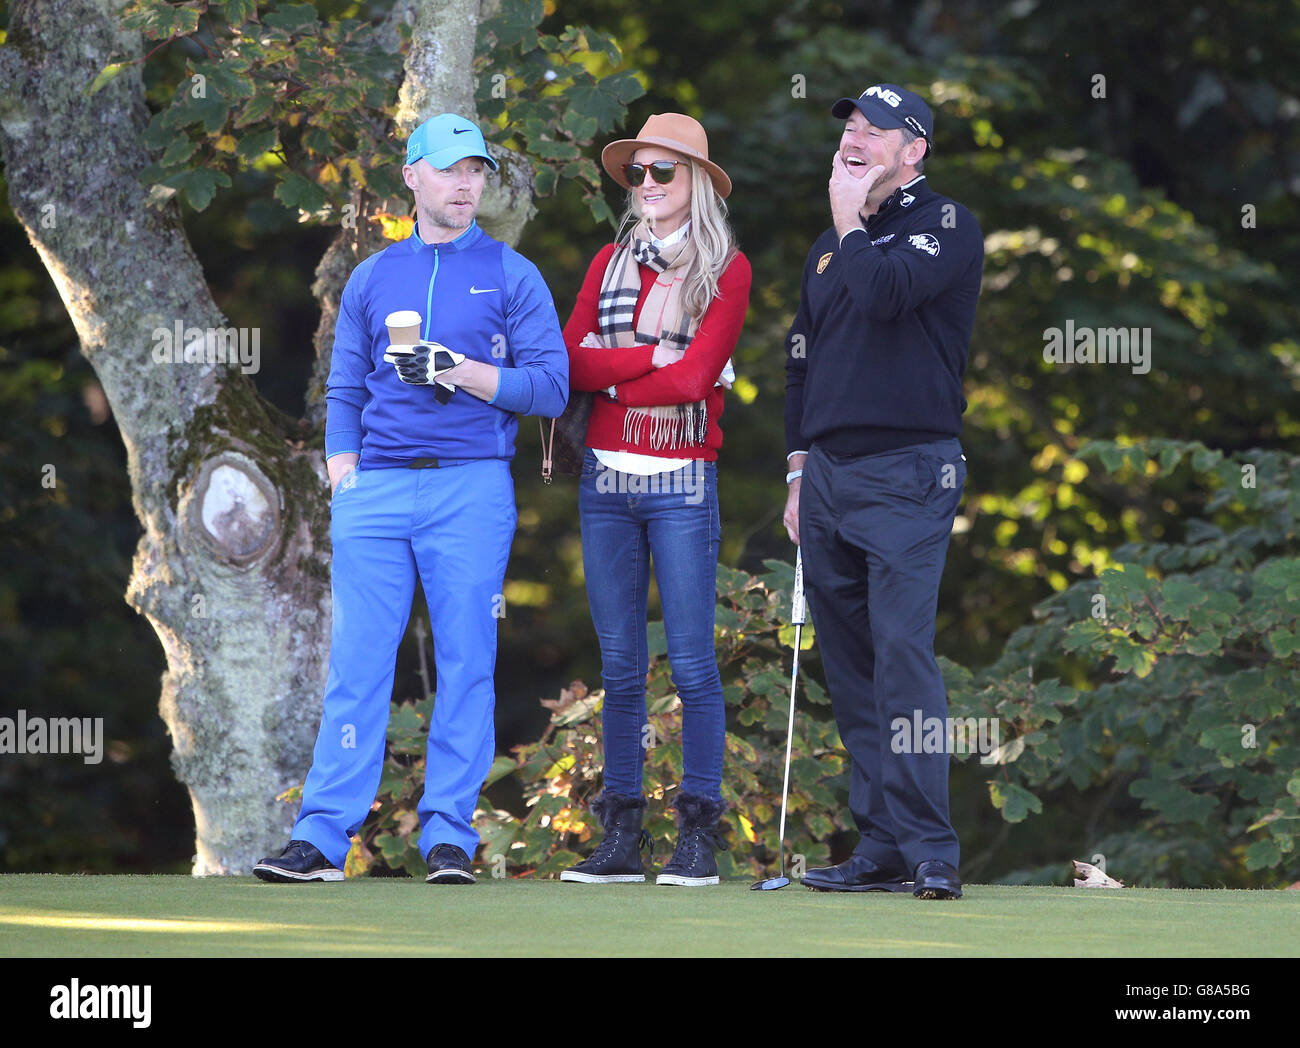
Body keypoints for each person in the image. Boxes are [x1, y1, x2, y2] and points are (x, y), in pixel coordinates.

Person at [254, 113, 568, 885]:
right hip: (377, 490)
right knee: (357, 665)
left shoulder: (510, 273)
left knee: (468, 660)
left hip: (471, 486)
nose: (466, 184)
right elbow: (343, 387)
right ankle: (322, 839)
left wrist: (462, 370)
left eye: (477, 172)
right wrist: (340, 468)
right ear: (414, 177)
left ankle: (449, 838)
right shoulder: (372, 276)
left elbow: (554, 387)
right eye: (451, 169)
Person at [783, 84, 983, 899]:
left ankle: (932, 847)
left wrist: (848, 220)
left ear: (915, 150)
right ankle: (883, 846)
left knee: (902, 659)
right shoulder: (830, 249)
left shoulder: (946, 226)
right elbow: (801, 360)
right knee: (853, 668)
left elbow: (887, 294)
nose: (855, 139)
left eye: (876, 130)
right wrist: (797, 470)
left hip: (909, 471)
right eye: (850, 129)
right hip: (828, 476)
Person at [558, 113, 751, 886]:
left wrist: (616, 366)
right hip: (604, 482)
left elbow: (694, 379)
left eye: (661, 172)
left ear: (696, 181)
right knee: (620, 667)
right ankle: (620, 837)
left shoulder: (726, 270)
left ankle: (697, 836)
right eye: (636, 173)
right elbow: (569, 362)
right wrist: (648, 355)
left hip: (680, 482)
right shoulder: (607, 259)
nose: (645, 186)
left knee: (695, 668)